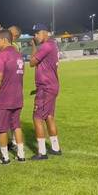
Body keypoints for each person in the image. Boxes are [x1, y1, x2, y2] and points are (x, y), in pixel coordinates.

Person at [0, 30, 25, 164]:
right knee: (16, 125)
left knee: (2, 128)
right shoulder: (18, 54)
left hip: (4, 98)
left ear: (4, 40)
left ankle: (5, 157)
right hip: (17, 96)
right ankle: (21, 154)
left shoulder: (2, 55)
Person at [30, 23, 62, 160]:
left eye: (37, 33)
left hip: (46, 87)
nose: (35, 36)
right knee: (49, 116)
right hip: (52, 85)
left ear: (45, 32)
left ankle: (42, 152)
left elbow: (32, 62)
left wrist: (33, 46)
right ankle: (55, 148)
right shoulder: (53, 44)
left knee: (37, 118)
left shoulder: (46, 46)